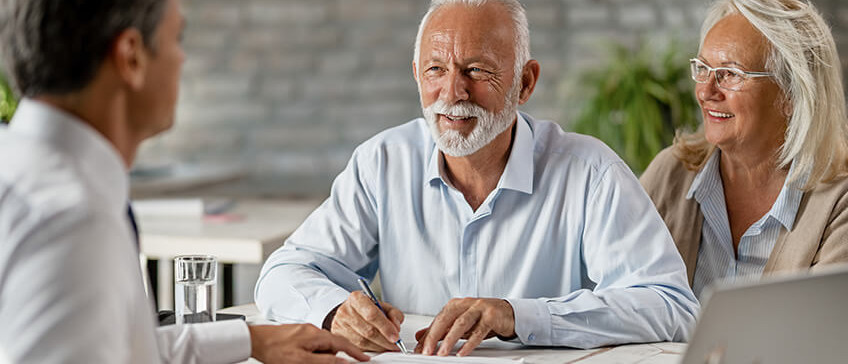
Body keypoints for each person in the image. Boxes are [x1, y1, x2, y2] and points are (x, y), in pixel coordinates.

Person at [255, 0, 699, 357]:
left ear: (525, 83)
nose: (452, 93)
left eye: (476, 70)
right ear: (416, 76)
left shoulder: (589, 172)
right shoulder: (382, 162)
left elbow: (670, 305)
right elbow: (282, 272)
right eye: (436, 70)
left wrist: (517, 316)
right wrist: (334, 311)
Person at [0, 0, 370, 363]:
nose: (182, 59)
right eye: (177, 38)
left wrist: (249, 340)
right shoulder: (71, 220)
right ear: (131, 57)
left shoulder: (24, 169)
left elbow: (115, 347)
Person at [641, 0, 848, 301]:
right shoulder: (671, 173)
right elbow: (622, 296)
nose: (705, 91)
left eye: (730, 74)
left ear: (792, 93)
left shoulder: (839, 201)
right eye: (703, 68)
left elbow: (822, 334)